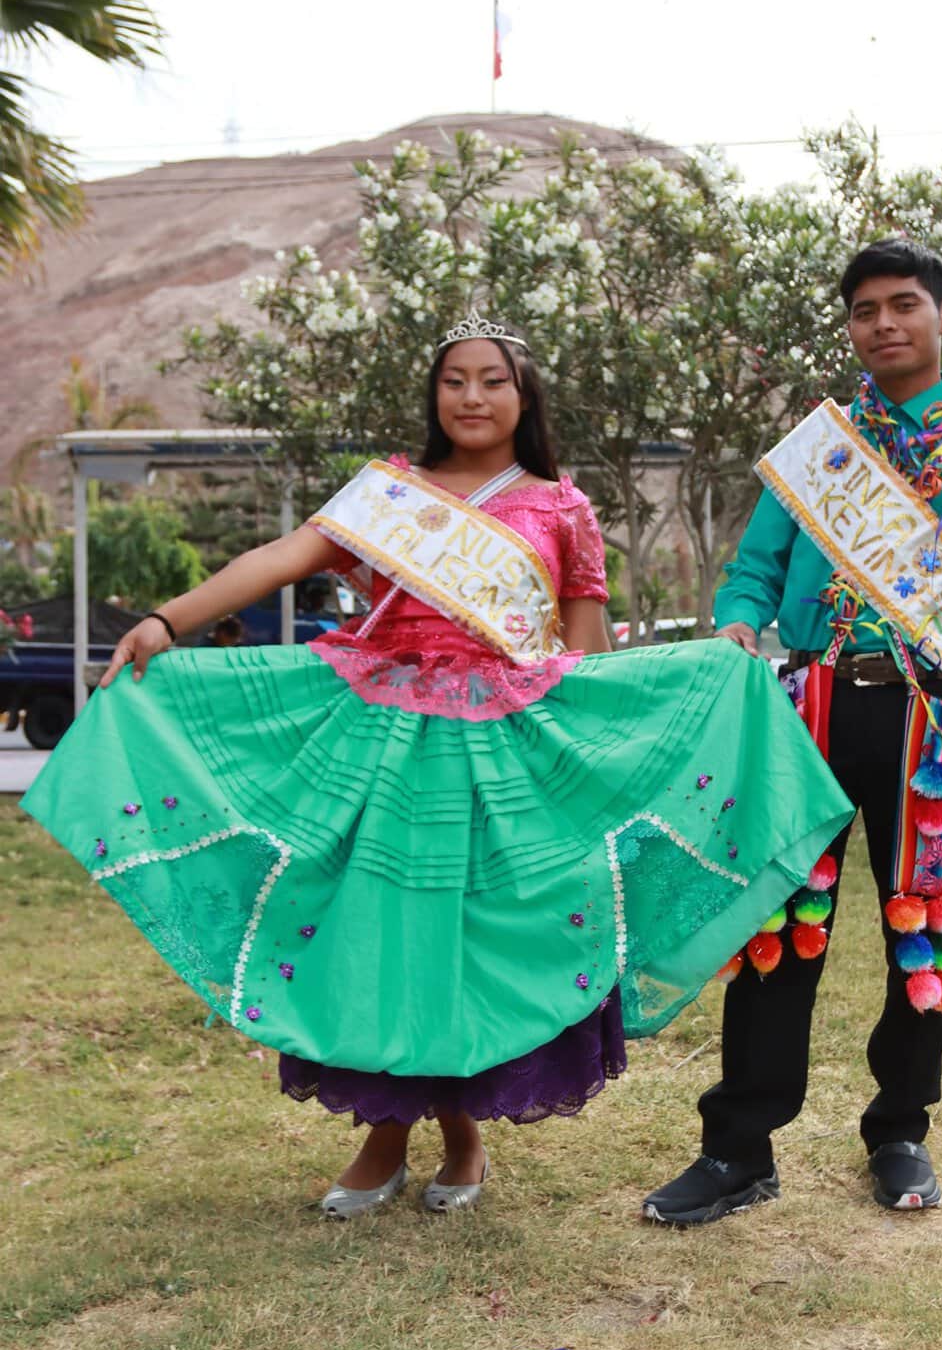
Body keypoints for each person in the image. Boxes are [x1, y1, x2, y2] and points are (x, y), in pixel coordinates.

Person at [23, 311, 852, 1219]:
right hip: (384, 743)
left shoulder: (561, 508)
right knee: (378, 930)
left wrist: (623, 734)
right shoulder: (388, 492)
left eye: (493, 380)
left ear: (524, 397)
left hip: (499, 757)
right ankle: (385, 1136)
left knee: (471, 940)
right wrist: (167, 620)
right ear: (433, 395)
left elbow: (584, 655)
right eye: (454, 380)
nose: (471, 396)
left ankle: (462, 1136)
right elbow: (280, 556)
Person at [643, 238, 942, 1226]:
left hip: (934, 726)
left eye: (904, 304)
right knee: (776, 925)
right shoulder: (819, 447)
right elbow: (755, 569)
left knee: (924, 928)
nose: (884, 324)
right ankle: (738, 1147)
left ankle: (901, 1131)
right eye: (865, 310)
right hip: (807, 712)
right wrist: (739, 624)